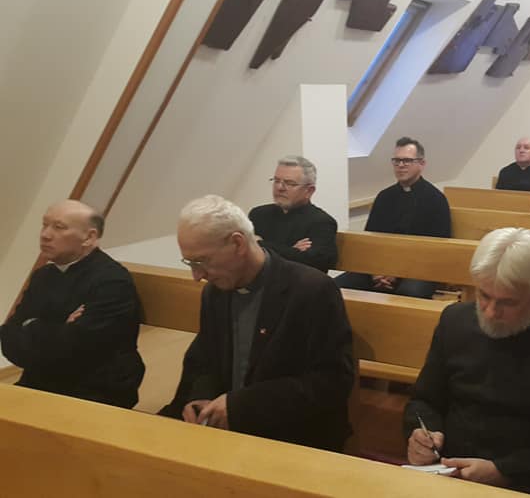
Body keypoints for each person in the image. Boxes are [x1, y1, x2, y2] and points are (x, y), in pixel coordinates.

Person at [405, 228, 530, 498]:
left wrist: (503, 471)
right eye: (484, 296)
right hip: (454, 476)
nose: (491, 312)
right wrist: (422, 435)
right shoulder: (454, 320)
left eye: (507, 302)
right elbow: (425, 400)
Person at [166, 195, 354, 451]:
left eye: (201, 261)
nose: (196, 276)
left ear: (238, 243)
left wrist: (241, 406)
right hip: (224, 430)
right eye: (190, 263)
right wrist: (200, 398)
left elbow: (332, 382)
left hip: (292, 437)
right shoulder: (215, 291)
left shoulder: (312, 290)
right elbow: (205, 359)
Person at [1, 200, 144, 408]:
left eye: (59, 227)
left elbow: (77, 348)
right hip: (40, 380)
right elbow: (9, 338)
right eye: (45, 225)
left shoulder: (113, 281)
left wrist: (31, 326)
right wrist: (60, 327)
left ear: (89, 237)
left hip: (95, 388)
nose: (45, 234)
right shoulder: (43, 275)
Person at [335, 137, 451, 299]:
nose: (401, 165)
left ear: (421, 164)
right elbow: (370, 240)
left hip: (420, 269)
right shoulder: (384, 197)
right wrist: (376, 272)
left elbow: (437, 248)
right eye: (396, 161)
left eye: (407, 161)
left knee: (409, 293)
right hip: (379, 267)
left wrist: (397, 273)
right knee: (335, 287)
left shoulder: (436, 199)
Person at [249, 155, 338, 272]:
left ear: (309, 191)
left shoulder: (322, 222)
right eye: (276, 181)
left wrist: (260, 244)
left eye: (290, 183)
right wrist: (292, 251)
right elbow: (244, 254)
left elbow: (312, 264)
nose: (280, 187)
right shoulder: (258, 214)